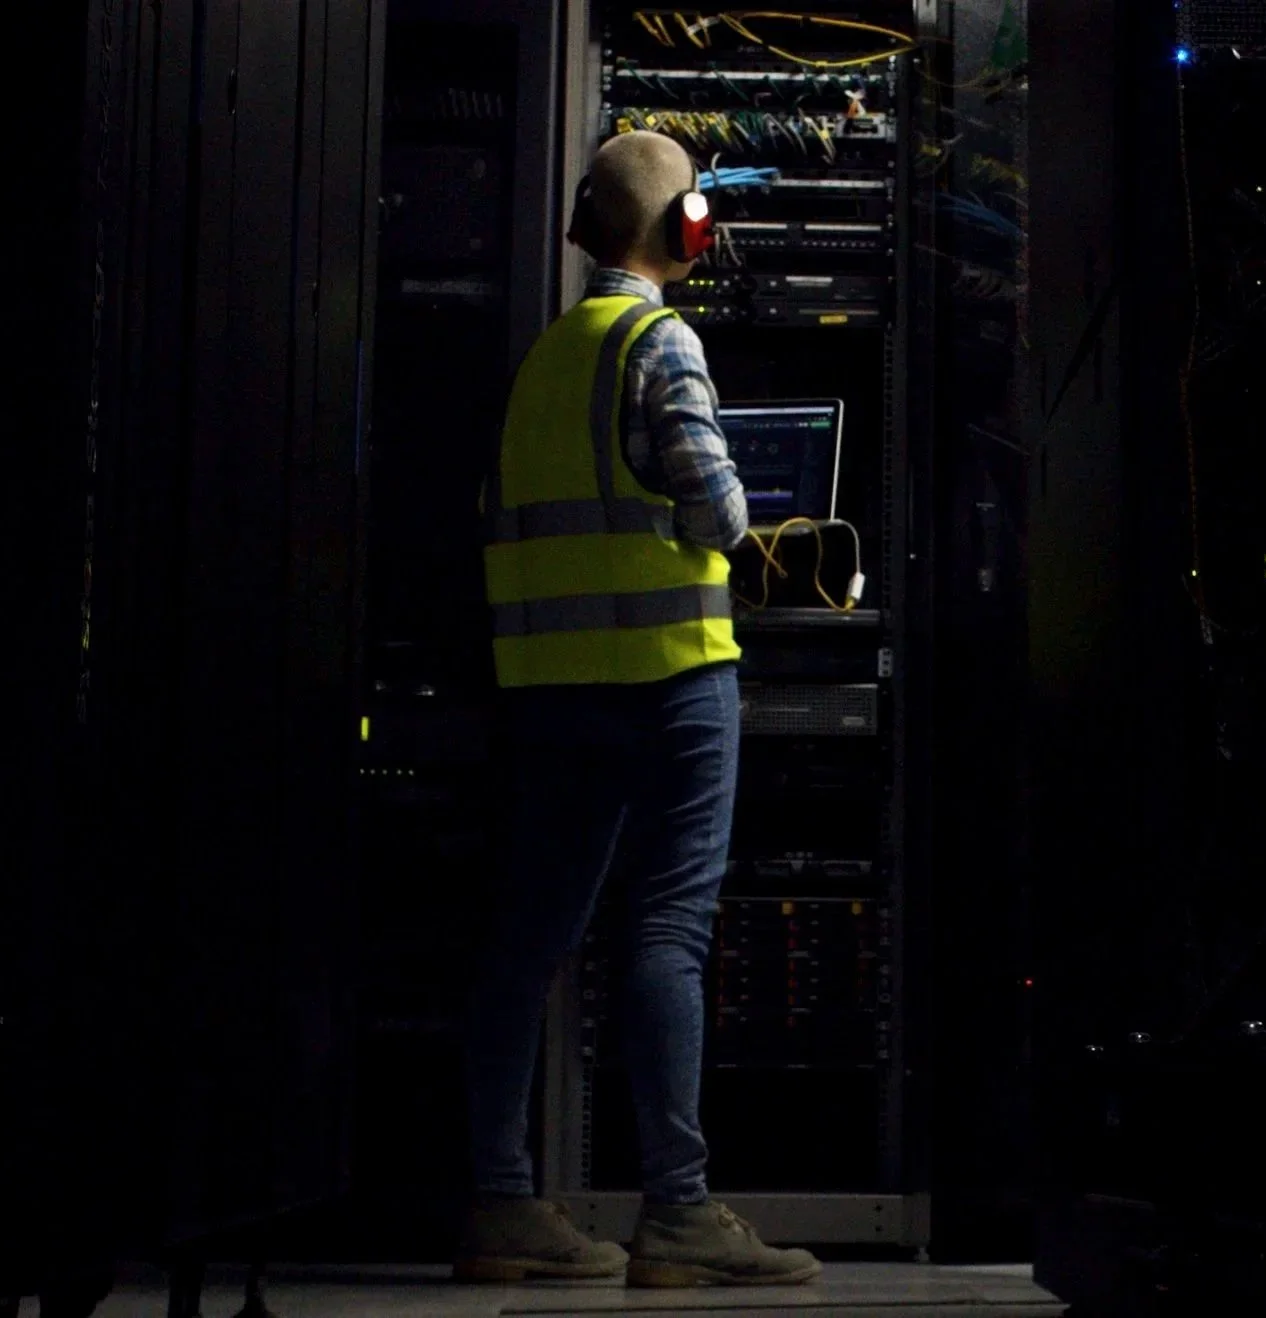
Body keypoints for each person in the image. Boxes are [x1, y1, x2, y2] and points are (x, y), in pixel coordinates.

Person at [455, 129, 823, 1289]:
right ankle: (678, 1214)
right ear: (684, 229)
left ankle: (502, 1203)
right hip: (671, 676)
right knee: (668, 931)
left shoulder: (547, 355)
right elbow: (717, 512)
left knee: (528, 941)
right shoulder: (659, 341)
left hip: (549, 686)